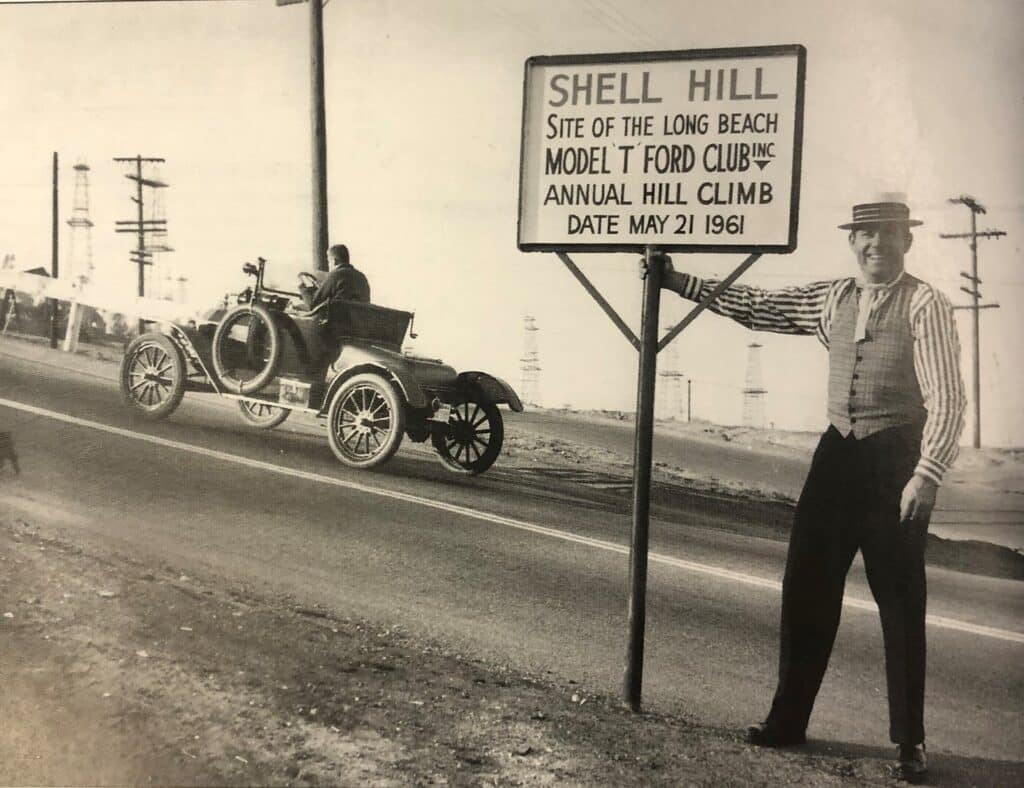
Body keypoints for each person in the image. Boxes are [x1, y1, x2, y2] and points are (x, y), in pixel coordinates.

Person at [659, 198, 965, 784]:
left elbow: (948, 399)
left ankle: (910, 742)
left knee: (901, 602)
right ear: (853, 241)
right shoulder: (833, 298)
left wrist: (926, 475)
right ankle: (788, 720)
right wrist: (680, 282)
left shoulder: (926, 304)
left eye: (889, 234)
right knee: (805, 585)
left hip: (896, 459)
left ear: (907, 241)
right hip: (837, 453)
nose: (877, 244)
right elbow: (759, 306)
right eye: (866, 234)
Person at [297, 243, 371, 310]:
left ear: (334, 261)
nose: (329, 265)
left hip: (337, 318)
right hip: (359, 318)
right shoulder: (362, 277)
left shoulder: (335, 275)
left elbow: (312, 304)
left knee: (295, 310)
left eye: (329, 261)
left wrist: (303, 288)